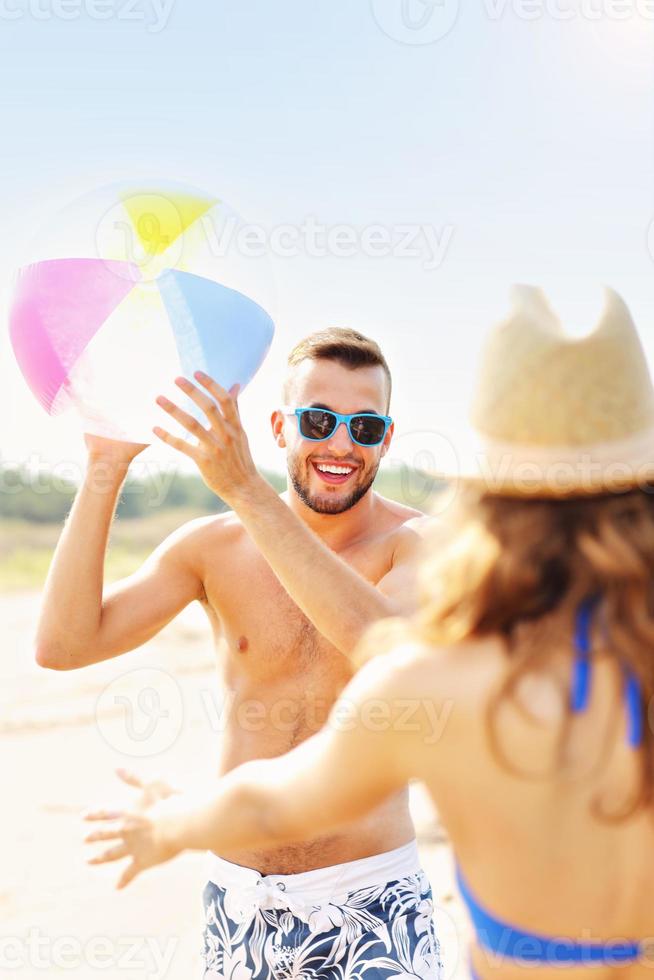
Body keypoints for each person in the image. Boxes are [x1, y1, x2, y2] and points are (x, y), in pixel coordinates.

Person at [86, 287, 654, 980]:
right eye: (319, 419)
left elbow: (272, 805)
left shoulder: (443, 683)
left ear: (490, 503)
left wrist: (166, 826)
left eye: (361, 426)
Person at [36, 328, 441, 979]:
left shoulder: (419, 547)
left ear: (386, 439)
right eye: (318, 420)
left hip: (370, 902)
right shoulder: (212, 547)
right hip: (238, 903)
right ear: (280, 426)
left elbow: (387, 655)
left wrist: (247, 490)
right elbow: (63, 644)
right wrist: (104, 469)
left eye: (365, 427)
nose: (341, 444)